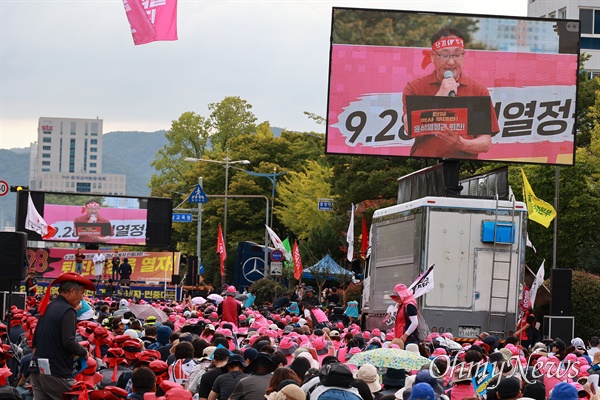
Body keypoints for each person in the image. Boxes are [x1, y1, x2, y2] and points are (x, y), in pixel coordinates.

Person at [402, 27, 499, 159]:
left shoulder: (478, 90)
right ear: (432, 56)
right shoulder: (415, 87)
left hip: (462, 166)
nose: (451, 62)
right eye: (445, 55)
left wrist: (460, 143)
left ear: (463, 56)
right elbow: (409, 128)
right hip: (424, 165)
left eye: (457, 55)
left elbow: (485, 143)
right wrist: (439, 97)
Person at [30, 272, 95, 400]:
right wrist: (84, 352)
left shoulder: (49, 306)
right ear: (72, 291)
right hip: (55, 372)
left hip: (37, 369)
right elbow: (68, 341)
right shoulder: (68, 311)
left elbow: (35, 341)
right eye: (81, 293)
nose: (82, 298)